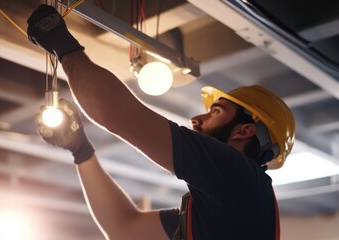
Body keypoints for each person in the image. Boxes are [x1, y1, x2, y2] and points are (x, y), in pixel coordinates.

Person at [27, 4, 295, 240]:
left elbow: (115, 112)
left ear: (245, 130)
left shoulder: (238, 178)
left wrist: (64, 46)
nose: (196, 119)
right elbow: (124, 228)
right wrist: (80, 149)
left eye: (215, 111)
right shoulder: (228, 202)